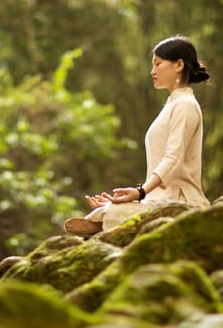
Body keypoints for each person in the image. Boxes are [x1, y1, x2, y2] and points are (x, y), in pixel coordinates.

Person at [63, 35, 211, 236]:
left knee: (111, 213)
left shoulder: (185, 105)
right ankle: (107, 218)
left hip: (181, 202)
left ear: (178, 65)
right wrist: (139, 197)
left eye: (158, 64)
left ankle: (105, 223)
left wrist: (140, 192)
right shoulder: (173, 104)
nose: (153, 71)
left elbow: (173, 159)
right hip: (159, 200)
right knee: (107, 209)